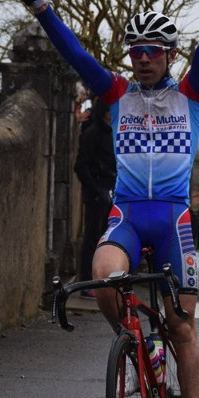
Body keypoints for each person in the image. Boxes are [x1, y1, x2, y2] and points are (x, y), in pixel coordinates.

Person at [13, 0, 199, 398]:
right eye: (135, 52)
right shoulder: (115, 94)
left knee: (183, 326)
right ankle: (140, 348)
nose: (141, 59)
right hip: (128, 214)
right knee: (104, 278)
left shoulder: (190, 94)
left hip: (174, 216)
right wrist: (39, 3)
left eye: (151, 51)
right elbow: (73, 52)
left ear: (169, 55)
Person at [73, 98, 116, 291]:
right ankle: (86, 283)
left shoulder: (114, 134)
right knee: (92, 237)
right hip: (97, 194)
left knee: (107, 239)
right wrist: (97, 190)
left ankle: (102, 280)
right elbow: (81, 165)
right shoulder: (92, 134)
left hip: (110, 192)